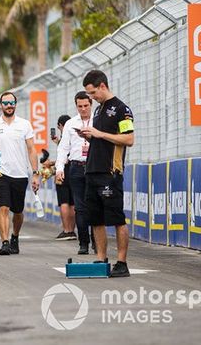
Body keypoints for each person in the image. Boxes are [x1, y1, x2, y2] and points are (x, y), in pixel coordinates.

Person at [79, 70, 135, 277]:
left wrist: (100, 134)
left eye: (93, 93)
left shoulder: (122, 109)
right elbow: (101, 139)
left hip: (110, 172)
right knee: (95, 219)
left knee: (117, 218)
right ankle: (101, 259)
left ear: (102, 86)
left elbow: (129, 139)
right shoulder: (98, 110)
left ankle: (122, 262)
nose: (91, 97)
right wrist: (89, 136)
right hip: (92, 170)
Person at [0, 91, 40, 256]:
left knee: (18, 211)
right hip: (0, 173)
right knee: (3, 208)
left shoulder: (24, 124)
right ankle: (5, 242)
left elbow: (31, 149)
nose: (9, 106)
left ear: (15, 105)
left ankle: (15, 236)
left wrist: (35, 173)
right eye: (6, 103)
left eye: (11, 103)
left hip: (20, 174)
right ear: (1, 105)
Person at [56, 92, 96, 254]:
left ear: (91, 104)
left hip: (94, 167)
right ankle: (83, 243)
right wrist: (59, 168)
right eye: (80, 106)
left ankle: (96, 241)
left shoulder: (98, 120)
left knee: (94, 206)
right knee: (79, 207)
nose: (83, 109)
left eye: (86, 106)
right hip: (76, 167)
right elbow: (63, 148)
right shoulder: (71, 124)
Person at [52, 114, 77, 241]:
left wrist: (53, 165)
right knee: (73, 202)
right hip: (75, 170)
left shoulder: (66, 138)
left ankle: (67, 230)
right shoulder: (75, 136)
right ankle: (72, 230)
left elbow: (64, 158)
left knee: (64, 202)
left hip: (63, 172)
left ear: (61, 126)